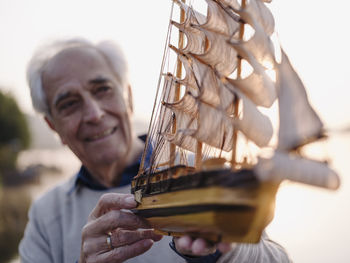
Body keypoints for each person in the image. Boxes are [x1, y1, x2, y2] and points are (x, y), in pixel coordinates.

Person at [19, 38, 292, 263]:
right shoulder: (45, 217)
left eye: (102, 89)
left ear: (128, 97)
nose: (94, 114)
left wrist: (224, 254)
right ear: (53, 126)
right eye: (69, 104)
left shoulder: (205, 170)